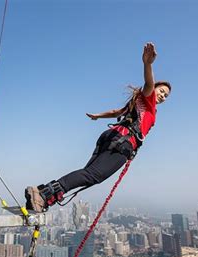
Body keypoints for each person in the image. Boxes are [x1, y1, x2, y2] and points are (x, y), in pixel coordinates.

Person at [25, 42, 171, 212]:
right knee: (93, 175)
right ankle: (43, 194)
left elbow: (116, 112)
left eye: (166, 96)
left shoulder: (137, 103)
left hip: (111, 137)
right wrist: (147, 64)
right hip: (122, 143)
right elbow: (148, 84)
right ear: (155, 89)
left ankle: (44, 197)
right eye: (161, 91)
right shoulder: (149, 103)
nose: (163, 96)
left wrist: (98, 116)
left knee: (87, 173)